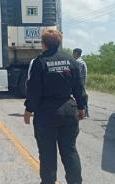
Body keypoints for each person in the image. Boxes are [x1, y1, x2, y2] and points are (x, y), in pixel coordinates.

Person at [24, 29, 87, 184]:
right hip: (68, 110)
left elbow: (34, 89)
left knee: (47, 155)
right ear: (59, 43)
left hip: (46, 113)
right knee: (70, 151)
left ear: (43, 44)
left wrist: (28, 109)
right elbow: (79, 87)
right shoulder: (72, 61)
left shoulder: (40, 62)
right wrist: (81, 107)